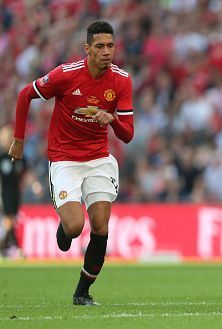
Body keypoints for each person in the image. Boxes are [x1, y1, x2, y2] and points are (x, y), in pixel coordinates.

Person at [9, 20, 134, 305]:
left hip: (99, 158)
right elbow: (24, 94)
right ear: (87, 49)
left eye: (111, 46)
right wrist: (18, 139)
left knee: (101, 225)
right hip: (65, 159)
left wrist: (112, 119)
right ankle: (65, 227)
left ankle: (82, 292)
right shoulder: (66, 75)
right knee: (76, 226)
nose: (106, 52)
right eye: (100, 46)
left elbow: (127, 135)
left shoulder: (122, 80)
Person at [0, 125, 26, 258]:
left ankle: (4, 248)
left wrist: (32, 184)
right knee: (9, 219)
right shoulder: (1, 157)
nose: (7, 139)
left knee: (11, 220)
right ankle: (15, 247)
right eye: (4, 137)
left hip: (16, 193)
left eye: (9, 136)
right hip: (4, 192)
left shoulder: (18, 155)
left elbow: (27, 171)